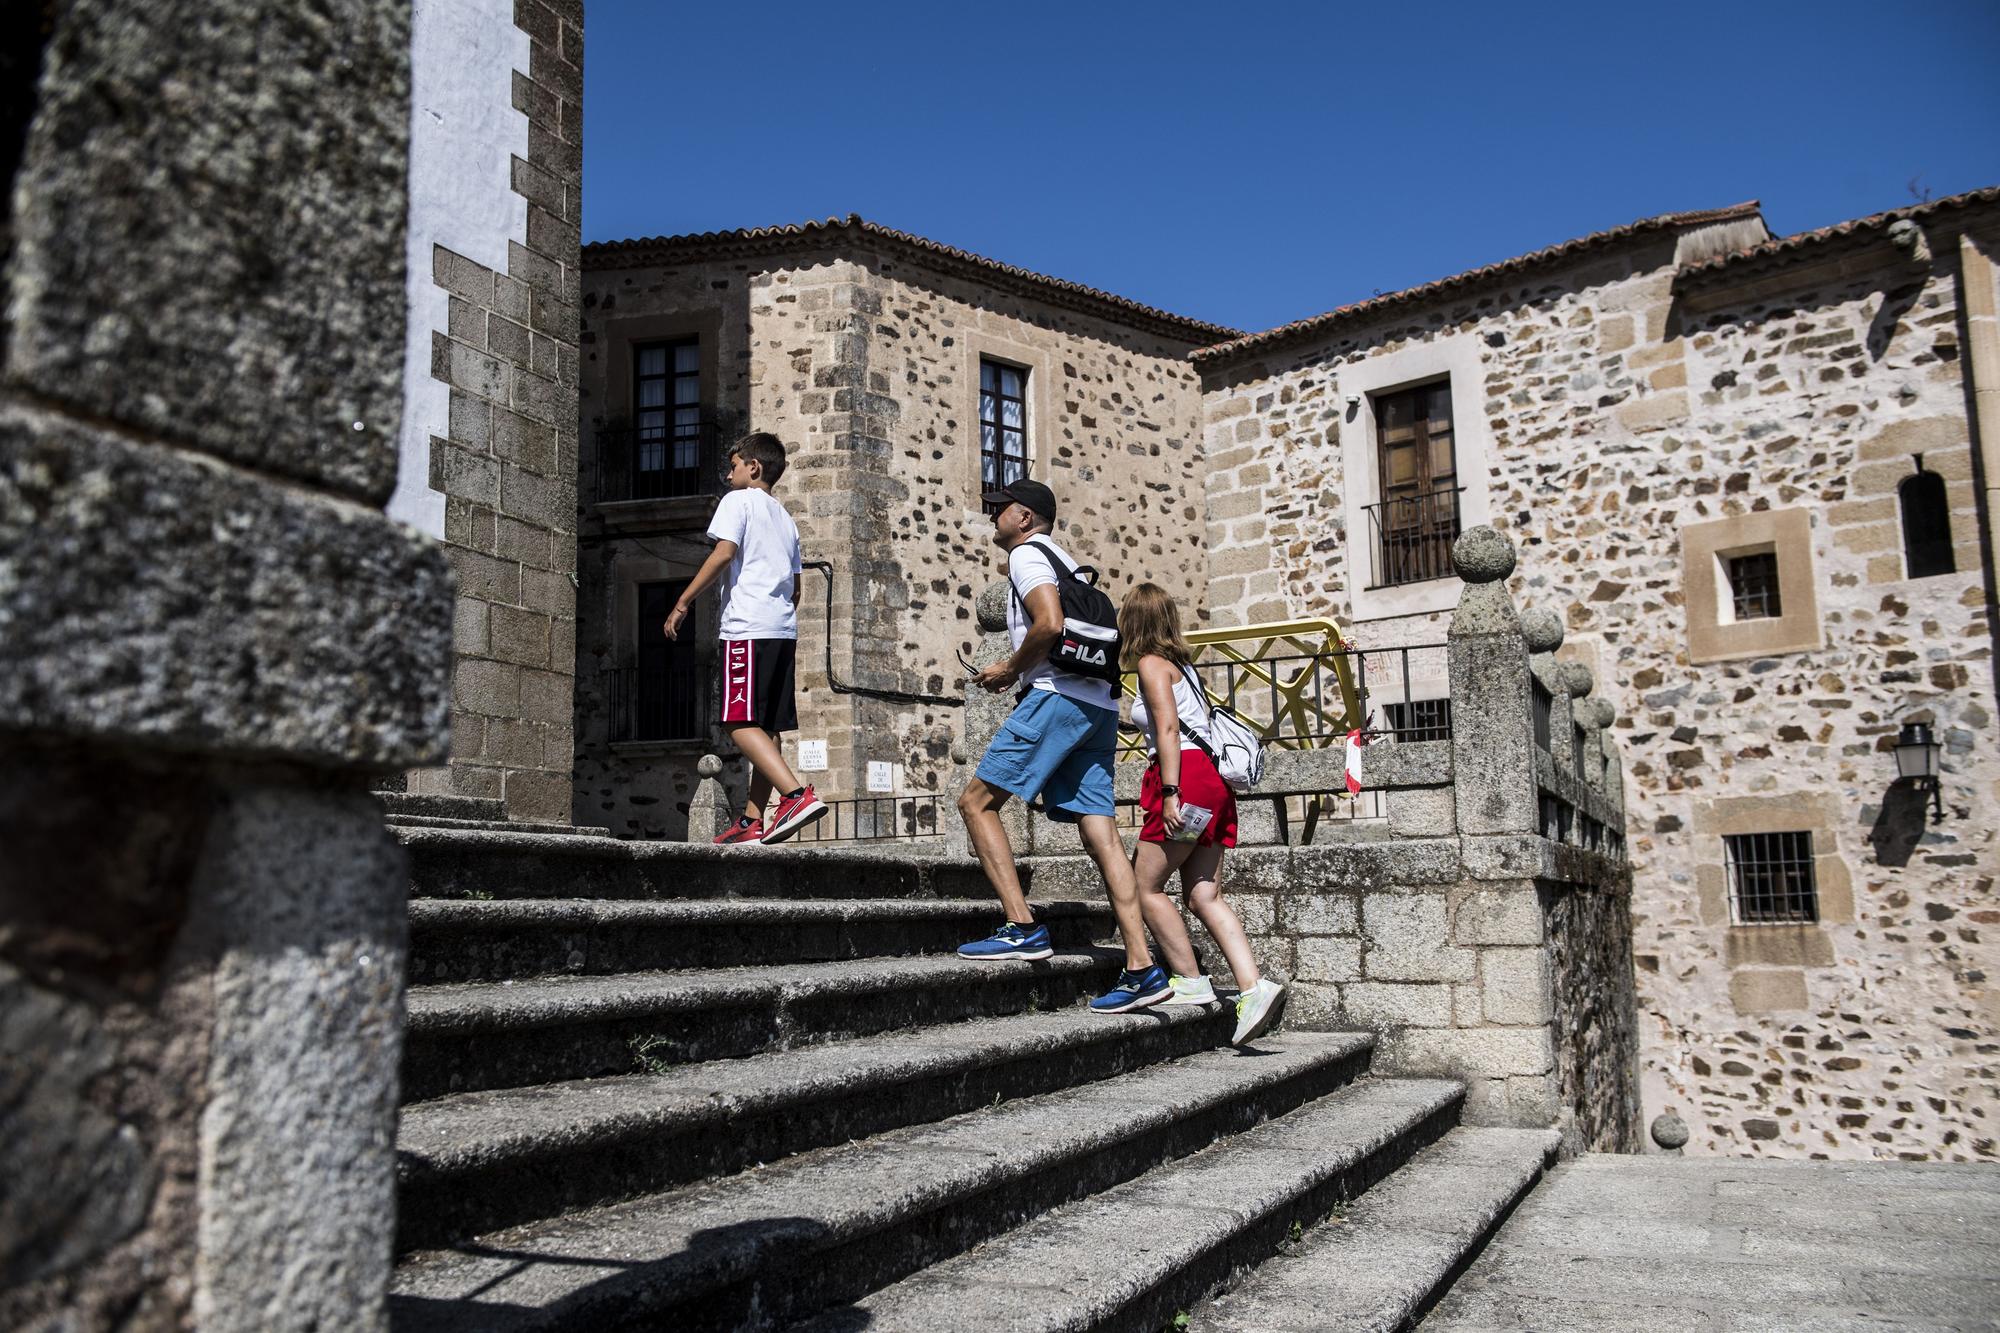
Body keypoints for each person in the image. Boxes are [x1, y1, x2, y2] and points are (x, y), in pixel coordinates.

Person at [955, 478, 1171, 1015]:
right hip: (1098, 705)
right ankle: (1142, 965)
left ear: (1025, 518)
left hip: (1055, 697)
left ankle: (1021, 926)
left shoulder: (1028, 557)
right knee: (1100, 832)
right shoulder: (1069, 562)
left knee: (975, 803)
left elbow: (1048, 624)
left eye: (1000, 509)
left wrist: (1008, 668)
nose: (993, 517)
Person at [1120, 582, 1288, 1046]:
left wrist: (1170, 792)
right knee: (1204, 895)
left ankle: (1190, 980)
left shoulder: (1152, 666)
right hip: (1211, 782)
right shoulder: (1183, 668)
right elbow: (1168, 721)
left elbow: (1169, 729)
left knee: (1143, 886)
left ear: (1132, 623)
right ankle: (1253, 987)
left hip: (1185, 778)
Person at [664, 432, 826, 845]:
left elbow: (723, 552)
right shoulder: (785, 519)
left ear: (753, 467)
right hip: (781, 629)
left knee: (737, 723)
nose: (728, 474)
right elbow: (796, 587)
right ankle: (753, 820)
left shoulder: (738, 501)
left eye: (734, 466)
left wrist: (683, 602)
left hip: (747, 628)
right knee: (766, 727)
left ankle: (794, 796)